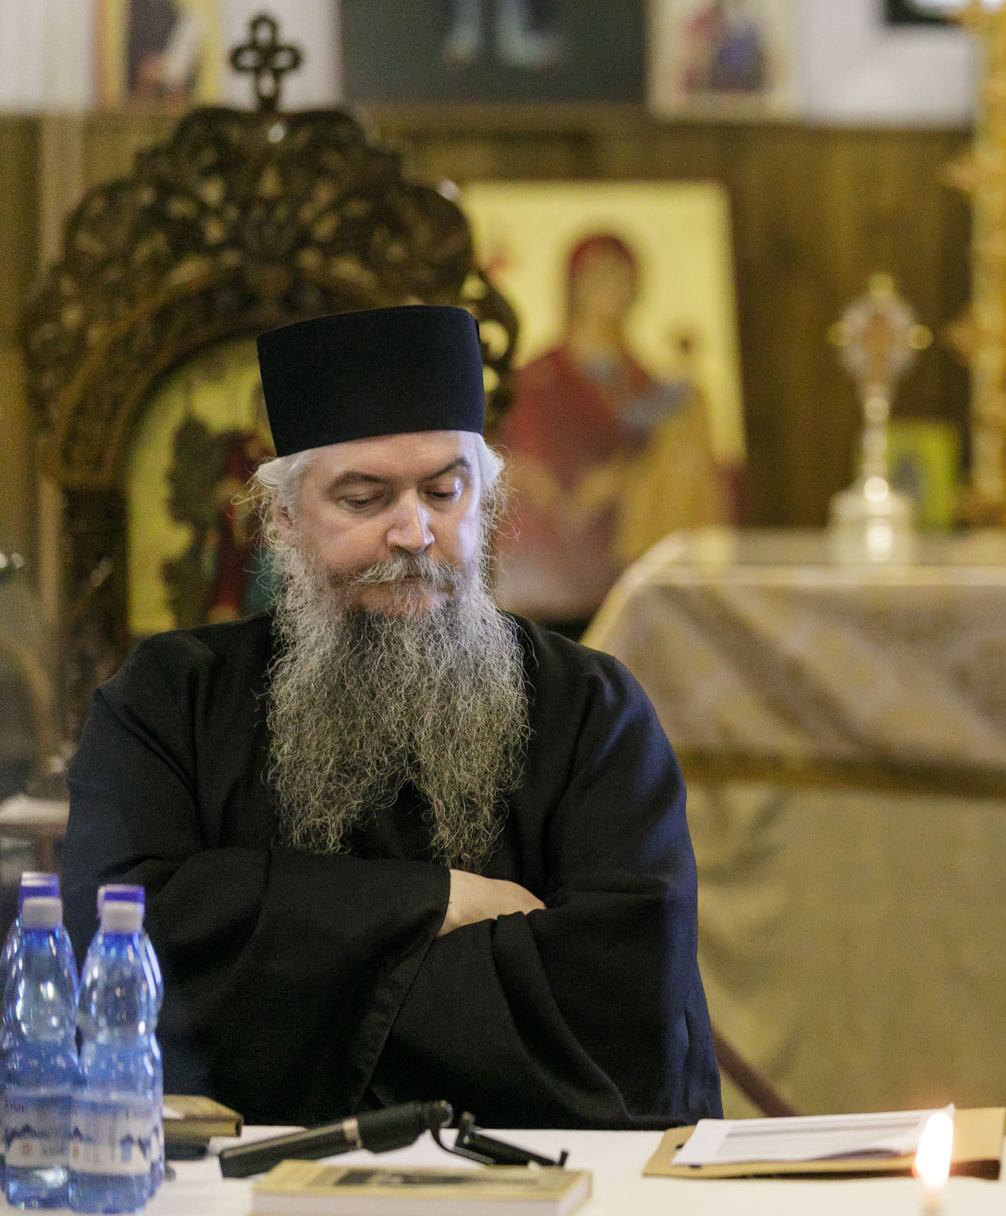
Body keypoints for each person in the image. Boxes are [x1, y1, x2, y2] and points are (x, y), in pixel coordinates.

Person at [61, 305, 722, 1129]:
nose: (414, 533)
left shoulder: (591, 710)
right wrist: (437, 901)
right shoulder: (169, 702)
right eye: (364, 498)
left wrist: (287, 973)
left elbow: (623, 1000)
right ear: (285, 519)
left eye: (445, 491)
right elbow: (116, 950)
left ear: (484, 502)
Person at [495, 233, 729, 629]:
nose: (609, 288)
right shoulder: (537, 380)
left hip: (637, 575)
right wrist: (570, 495)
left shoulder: (649, 383)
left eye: (620, 276)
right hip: (553, 589)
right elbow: (516, 469)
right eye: (597, 275)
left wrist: (632, 481)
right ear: (573, 286)